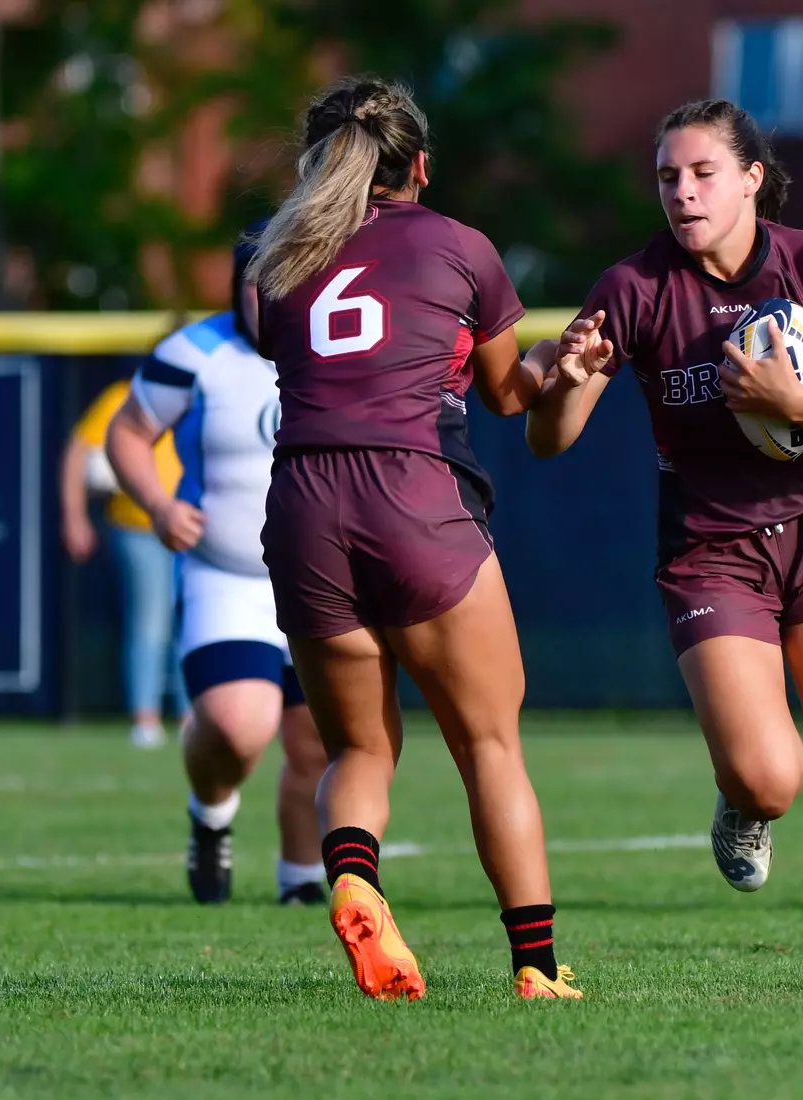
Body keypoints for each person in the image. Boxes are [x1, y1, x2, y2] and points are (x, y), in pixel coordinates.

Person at [526, 99, 803, 993]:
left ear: (750, 180)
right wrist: (572, 379)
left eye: (702, 173)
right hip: (713, 552)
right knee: (773, 778)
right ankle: (743, 802)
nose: (682, 193)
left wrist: (798, 403)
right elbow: (550, 441)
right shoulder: (634, 287)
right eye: (667, 176)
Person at [248, 77, 578, 1000]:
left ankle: (354, 872)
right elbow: (511, 395)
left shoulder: (273, 258)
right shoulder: (460, 246)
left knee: (357, 748)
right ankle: (537, 968)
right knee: (489, 745)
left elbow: (295, 344)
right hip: (412, 492)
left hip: (304, 504)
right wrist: (566, 360)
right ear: (421, 164)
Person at [104, 226, 329, 906]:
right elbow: (128, 432)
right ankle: (211, 814)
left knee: (319, 740)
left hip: (321, 577)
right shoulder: (195, 354)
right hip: (224, 577)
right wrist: (156, 504)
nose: (274, 297)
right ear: (240, 286)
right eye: (262, 283)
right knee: (239, 725)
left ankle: (301, 880)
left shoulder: (337, 348)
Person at [61, 379, 188, 746]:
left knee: (192, 621)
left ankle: (191, 716)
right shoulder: (124, 395)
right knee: (150, 621)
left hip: (196, 528)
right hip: (138, 527)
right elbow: (80, 450)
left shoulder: (206, 389)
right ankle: (144, 718)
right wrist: (74, 516)